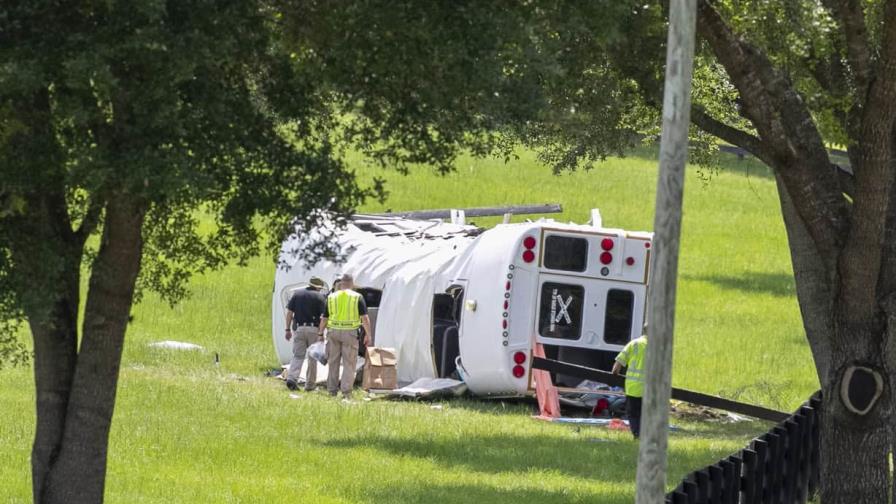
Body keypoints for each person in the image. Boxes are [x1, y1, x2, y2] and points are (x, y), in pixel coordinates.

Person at [318, 273, 372, 400]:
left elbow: (325, 318)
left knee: (333, 362)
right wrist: (368, 335)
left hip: (333, 332)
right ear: (352, 284)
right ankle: (346, 392)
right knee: (349, 363)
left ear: (341, 283)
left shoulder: (331, 297)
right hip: (350, 333)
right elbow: (364, 317)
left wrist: (320, 333)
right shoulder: (357, 297)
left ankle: (332, 391)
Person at [284, 276, 327, 391]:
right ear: (319, 287)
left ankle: (292, 378)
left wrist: (287, 329)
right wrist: (321, 333)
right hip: (314, 330)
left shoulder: (297, 294)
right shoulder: (320, 297)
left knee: (298, 355)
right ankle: (310, 385)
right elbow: (323, 317)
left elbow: (289, 313)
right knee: (313, 358)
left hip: (299, 328)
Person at [612, 324, 648, 439]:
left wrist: (615, 373)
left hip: (632, 387)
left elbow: (618, 364)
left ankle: (637, 435)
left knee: (633, 414)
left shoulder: (634, 344)